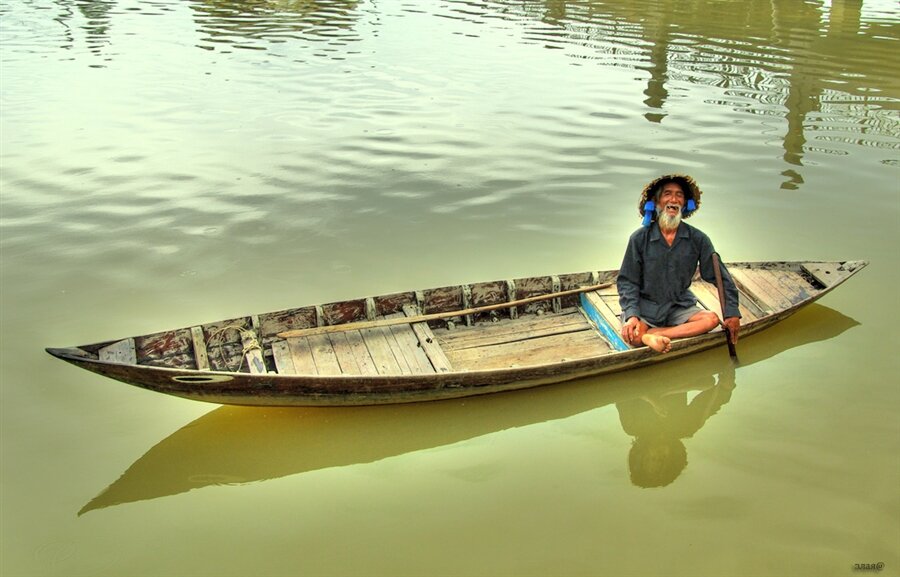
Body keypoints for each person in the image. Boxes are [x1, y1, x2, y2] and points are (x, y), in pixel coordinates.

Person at [617, 174, 741, 354]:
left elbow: (721, 277)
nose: (673, 200)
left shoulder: (698, 239)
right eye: (667, 194)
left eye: (679, 195)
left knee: (711, 319)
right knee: (631, 332)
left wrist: (732, 312)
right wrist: (632, 315)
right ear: (657, 202)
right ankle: (644, 335)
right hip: (647, 306)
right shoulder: (639, 238)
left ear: (685, 203)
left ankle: (653, 335)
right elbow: (627, 281)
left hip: (679, 305)